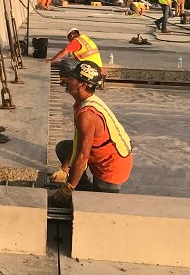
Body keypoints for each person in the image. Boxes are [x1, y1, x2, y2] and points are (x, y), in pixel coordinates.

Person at [50, 61, 132, 195]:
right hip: (102, 157)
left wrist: (68, 188)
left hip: (111, 167)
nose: (66, 80)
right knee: (63, 148)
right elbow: (78, 144)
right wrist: (64, 169)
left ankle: (78, 189)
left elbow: (82, 156)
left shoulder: (87, 114)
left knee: (98, 209)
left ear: (81, 85)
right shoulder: (83, 102)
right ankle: (83, 189)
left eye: (71, 78)